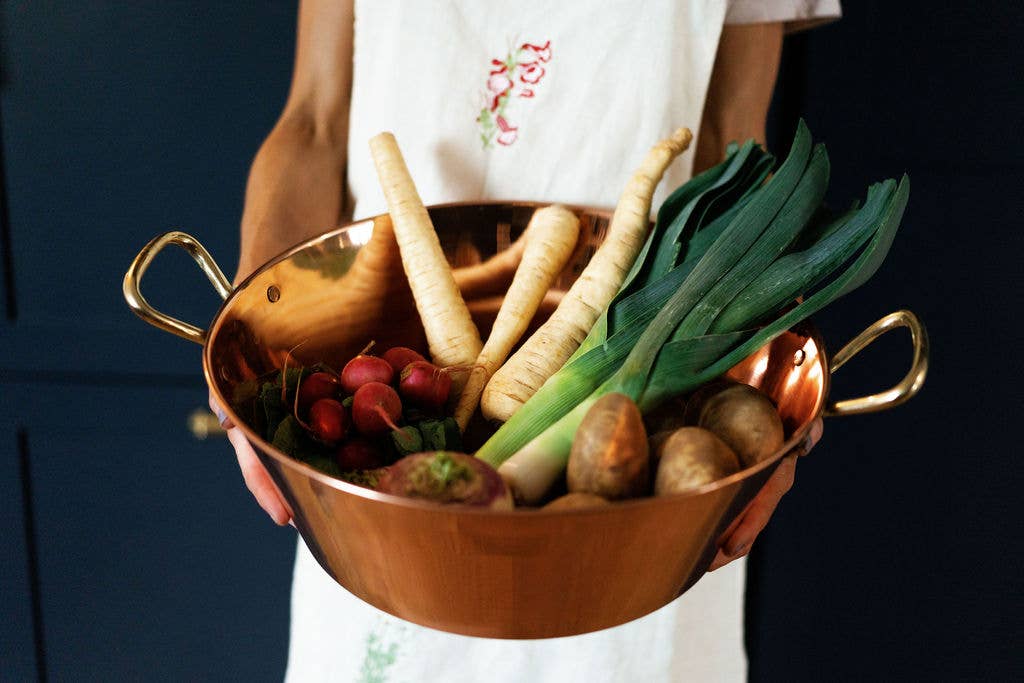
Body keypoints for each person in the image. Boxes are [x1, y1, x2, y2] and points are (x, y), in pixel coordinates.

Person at [213, 1, 838, 680]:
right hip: (386, 478)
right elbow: (314, 123)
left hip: (646, 471)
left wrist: (777, 401)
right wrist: (252, 341)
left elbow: (730, 140)